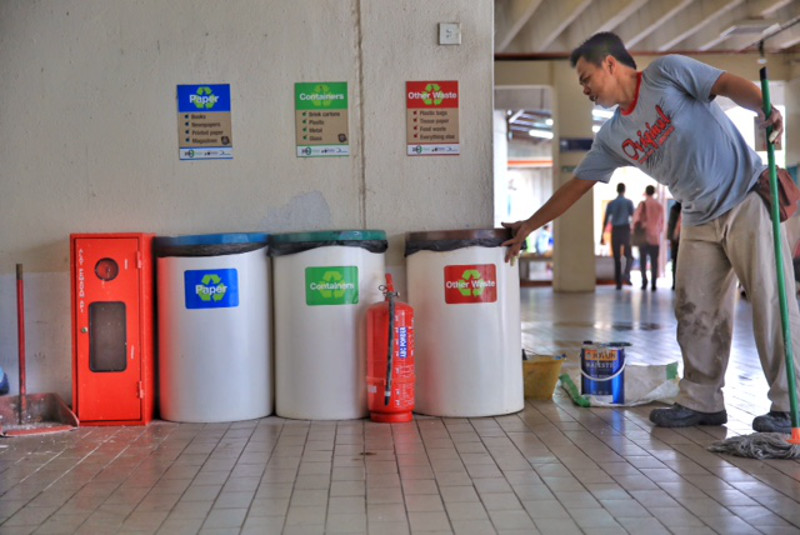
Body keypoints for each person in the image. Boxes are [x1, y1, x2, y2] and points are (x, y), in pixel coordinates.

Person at [501, 32, 800, 433]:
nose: (585, 88)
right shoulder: (611, 136)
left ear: (610, 63)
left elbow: (725, 83)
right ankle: (702, 400)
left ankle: (788, 404)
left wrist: (763, 106)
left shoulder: (667, 73)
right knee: (694, 310)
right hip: (695, 215)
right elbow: (575, 187)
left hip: (744, 196)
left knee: (770, 301)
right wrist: (528, 227)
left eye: (587, 78)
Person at [600, 183, 634, 289]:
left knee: (616, 257)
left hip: (615, 231)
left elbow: (606, 220)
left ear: (617, 190)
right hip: (625, 230)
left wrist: (602, 235)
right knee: (629, 256)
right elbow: (633, 217)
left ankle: (618, 282)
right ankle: (626, 275)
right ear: (624, 190)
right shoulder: (628, 202)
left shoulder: (611, 203)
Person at [632, 185, 664, 291]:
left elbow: (636, 219)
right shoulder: (659, 206)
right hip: (655, 237)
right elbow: (662, 223)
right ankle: (654, 283)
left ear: (646, 192)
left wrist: (634, 230)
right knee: (654, 261)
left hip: (644, 237)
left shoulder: (643, 204)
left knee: (643, 260)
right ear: (654, 192)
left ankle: (644, 282)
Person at [667, 201, 682, 290]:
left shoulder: (674, 209)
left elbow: (670, 224)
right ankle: (682, 283)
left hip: (675, 239)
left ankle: (674, 282)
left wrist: (670, 238)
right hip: (685, 238)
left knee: (675, 261)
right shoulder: (688, 208)